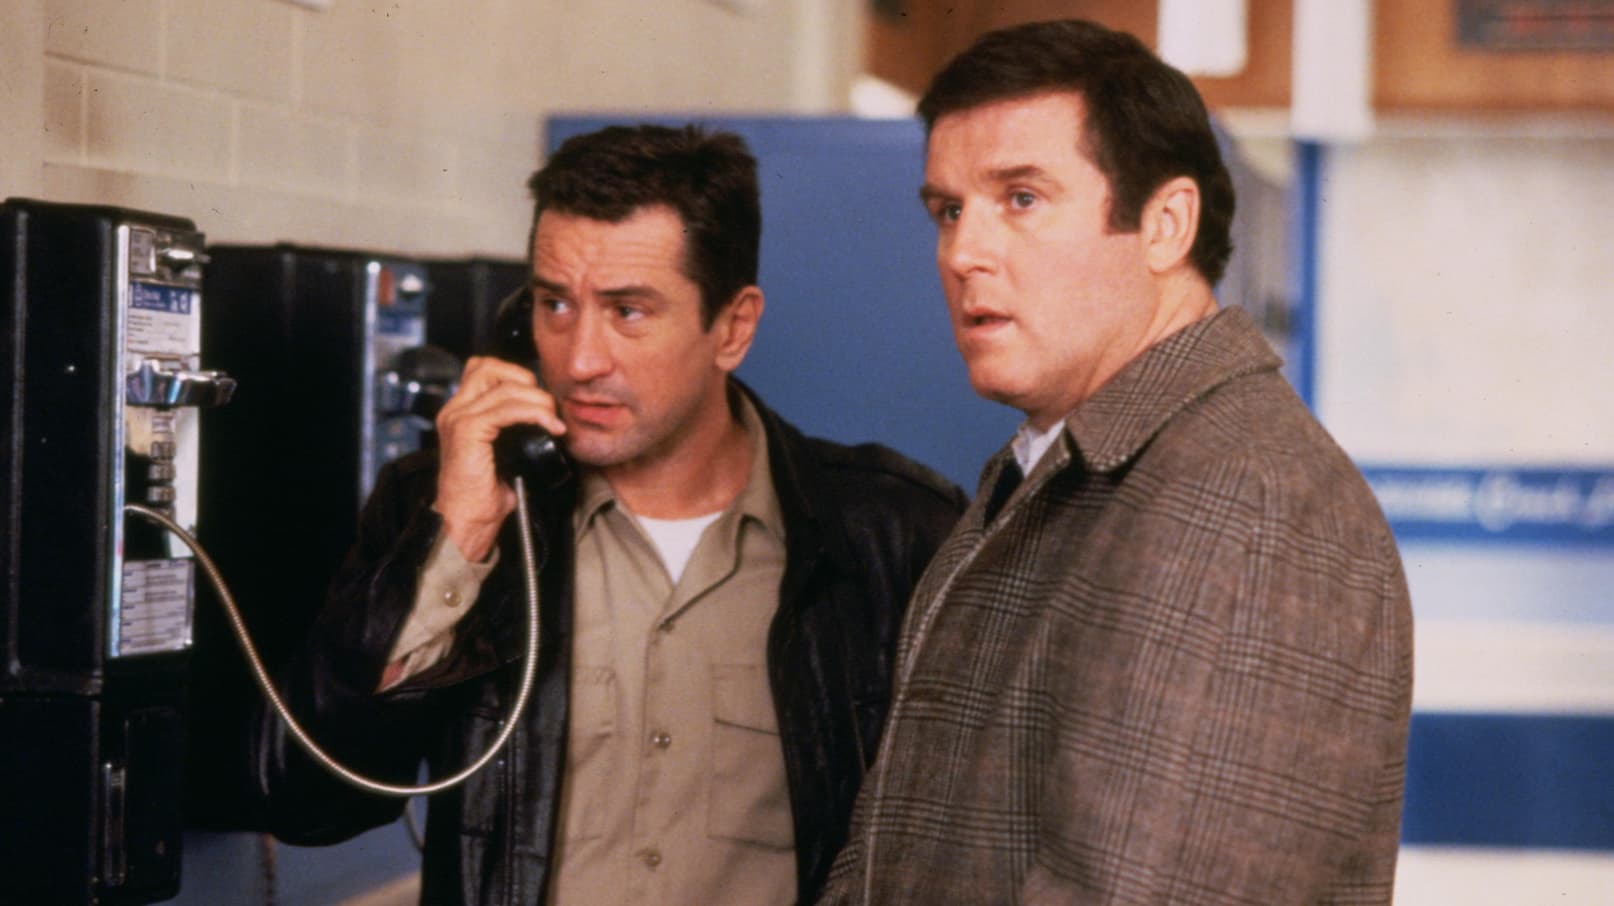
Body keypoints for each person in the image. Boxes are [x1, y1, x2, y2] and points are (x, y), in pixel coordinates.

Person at [254, 124, 965, 906]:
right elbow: (306, 803)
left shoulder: (892, 533)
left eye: (628, 311)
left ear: (733, 327)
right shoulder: (454, 507)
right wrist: (455, 539)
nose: (580, 359)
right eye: (555, 305)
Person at [820, 19, 1414, 905]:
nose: (963, 252)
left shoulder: (1241, 498)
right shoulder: (1063, 468)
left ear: (1166, 225)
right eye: (949, 210)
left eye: (1022, 198)